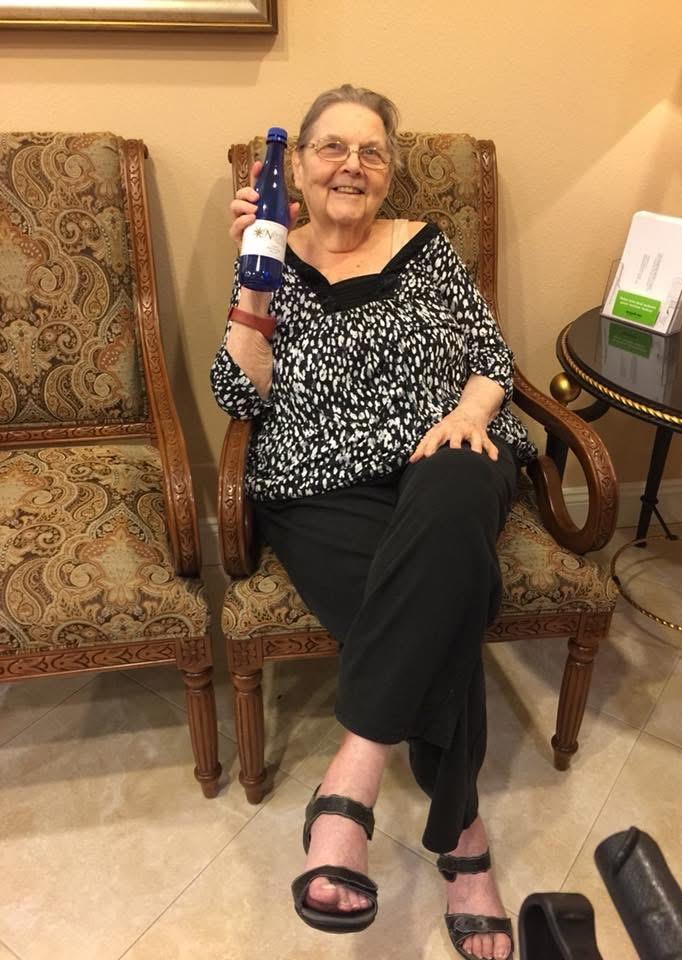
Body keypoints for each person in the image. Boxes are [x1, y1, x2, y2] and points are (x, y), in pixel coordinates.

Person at [211, 83, 535, 960]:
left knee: (453, 490)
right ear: (295, 166)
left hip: (446, 453)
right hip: (316, 482)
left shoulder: (426, 249)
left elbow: (492, 357)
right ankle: (464, 846)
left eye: (372, 152)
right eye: (331, 148)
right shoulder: (269, 252)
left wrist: (471, 413)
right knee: (444, 607)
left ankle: (350, 779)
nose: (352, 165)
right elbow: (238, 392)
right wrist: (251, 281)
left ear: (390, 172)